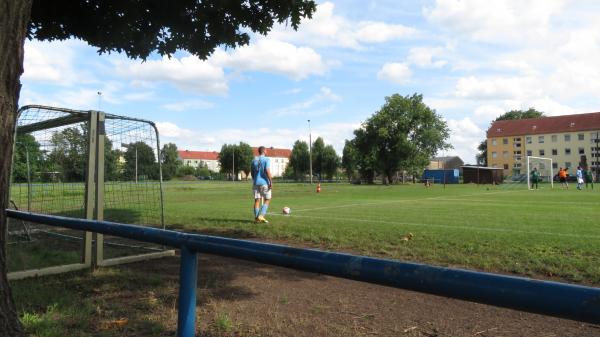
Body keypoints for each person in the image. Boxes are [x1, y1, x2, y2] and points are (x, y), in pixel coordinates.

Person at [251, 146, 272, 223]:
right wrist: (271, 181)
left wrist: (255, 179)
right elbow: (267, 170)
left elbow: (252, 173)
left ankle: (256, 219)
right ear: (264, 151)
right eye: (266, 150)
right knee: (267, 199)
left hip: (256, 182)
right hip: (264, 183)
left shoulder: (253, 160)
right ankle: (261, 215)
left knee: (257, 200)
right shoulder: (266, 159)